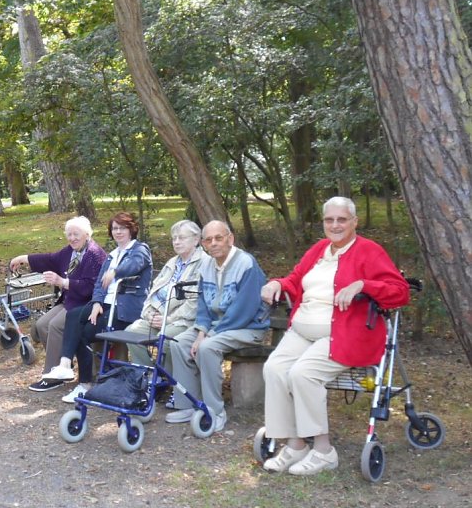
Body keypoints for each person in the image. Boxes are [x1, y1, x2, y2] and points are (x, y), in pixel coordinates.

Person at [260, 197, 409, 475]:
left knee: (303, 374)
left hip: (344, 333)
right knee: (275, 369)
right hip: (303, 330)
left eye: (342, 219)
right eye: (329, 220)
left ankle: (324, 450)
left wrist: (364, 284)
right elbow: (295, 279)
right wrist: (276, 283)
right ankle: (295, 445)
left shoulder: (369, 251)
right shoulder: (319, 249)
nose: (335, 225)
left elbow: (400, 291)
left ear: (354, 222)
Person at [166, 220, 269, 431]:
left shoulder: (245, 264)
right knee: (177, 342)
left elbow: (243, 311)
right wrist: (202, 330)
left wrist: (208, 335)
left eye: (218, 238)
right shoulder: (207, 265)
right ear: (203, 243)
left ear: (230, 239)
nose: (213, 243)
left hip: (247, 328)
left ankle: (214, 411)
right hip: (216, 326)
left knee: (206, 348)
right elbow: (203, 305)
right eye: (208, 239)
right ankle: (188, 404)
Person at [42, 212, 153, 404]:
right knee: (75, 315)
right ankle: (67, 366)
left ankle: (86, 383)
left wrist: (116, 272)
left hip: (125, 311)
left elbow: (135, 266)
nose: (118, 232)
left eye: (122, 228)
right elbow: (99, 286)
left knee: (82, 332)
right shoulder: (112, 256)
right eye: (115, 228)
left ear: (131, 230)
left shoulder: (140, 250)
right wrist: (96, 303)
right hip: (106, 308)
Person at [9, 216, 107, 392]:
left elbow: (91, 287)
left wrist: (62, 282)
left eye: (76, 234)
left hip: (86, 304)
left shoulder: (95, 255)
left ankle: (52, 375)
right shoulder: (71, 251)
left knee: (55, 326)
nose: (72, 238)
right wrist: (23, 258)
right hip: (70, 301)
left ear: (87, 234)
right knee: (42, 324)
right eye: (69, 234)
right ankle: (62, 368)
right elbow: (50, 259)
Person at [124, 220, 206, 380]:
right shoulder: (173, 262)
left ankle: (169, 381)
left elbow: (195, 303)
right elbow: (154, 291)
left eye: (182, 238)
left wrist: (167, 320)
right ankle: (149, 377)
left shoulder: (204, 263)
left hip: (184, 321)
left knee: (166, 337)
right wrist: (149, 314)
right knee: (131, 333)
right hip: (160, 317)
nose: (176, 241)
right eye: (174, 238)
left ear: (196, 240)